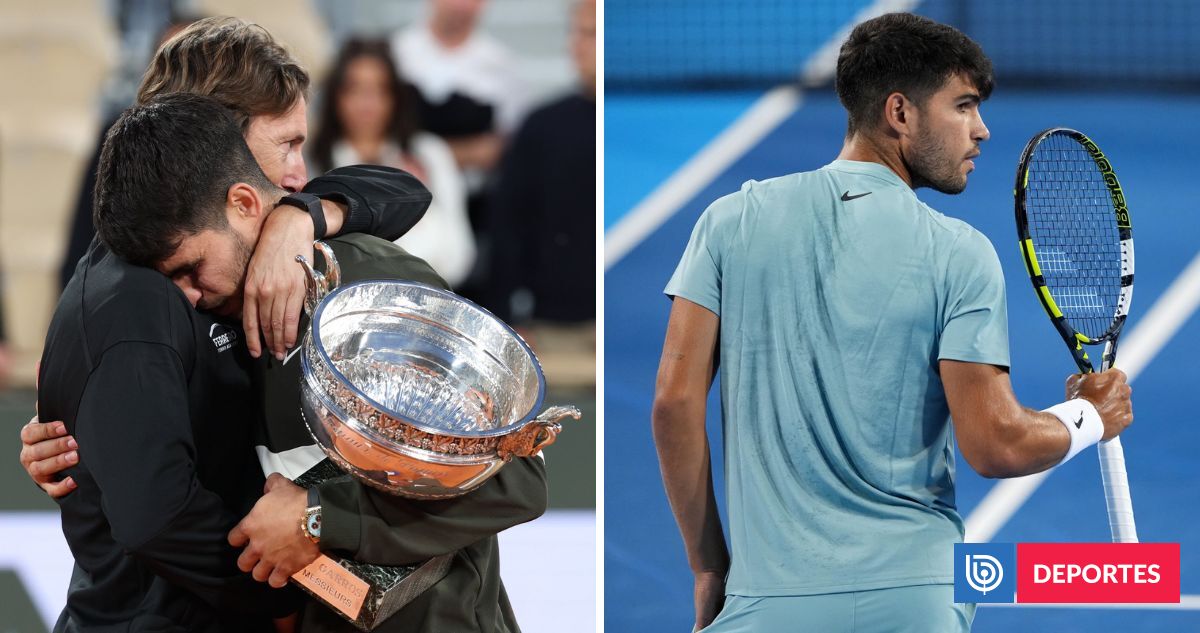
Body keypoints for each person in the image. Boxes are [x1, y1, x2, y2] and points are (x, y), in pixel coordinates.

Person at [651, 13, 1134, 633]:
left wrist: (709, 568)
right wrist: (1091, 416)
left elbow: (673, 403)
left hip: (768, 603)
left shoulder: (729, 221)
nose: (982, 130)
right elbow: (997, 444)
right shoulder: (959, 252)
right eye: (963, 106)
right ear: (900, 112)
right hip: (918, 600)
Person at [24, 17, 437, 630]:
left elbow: (404, 192)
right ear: (216, 138)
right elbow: (155, 515)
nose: (298, 172)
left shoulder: (238, 235)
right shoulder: (146, 291)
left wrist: (301, 216)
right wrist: (289, 603)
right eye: (286, 145)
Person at [93, 92, 546, 633]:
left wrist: (320, 517)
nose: (186, 295)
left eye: (191, 269)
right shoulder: (206, 318)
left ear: (243, 203)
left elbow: (515, 476)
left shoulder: (361, 284)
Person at [311, 38, 474, 288]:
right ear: (336, 96)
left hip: (430, 291)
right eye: (355, 89)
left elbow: (459, 252)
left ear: (395, 97)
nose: (367, 103)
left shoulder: (429, 153)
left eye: (379, 89)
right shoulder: (314, 159)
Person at [488, 0, 595, 327]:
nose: (574, 45)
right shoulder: (540, 125)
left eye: (589, 34)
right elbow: (508, 226)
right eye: (575, 33)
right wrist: (508, 317)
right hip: (550, 324)